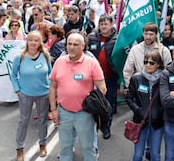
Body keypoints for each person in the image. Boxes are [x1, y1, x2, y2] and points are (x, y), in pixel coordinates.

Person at [49, 32, 106, 161]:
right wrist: (53, 110)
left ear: (83, 46)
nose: (72, 47)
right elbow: (52, 86)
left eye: (75, 44)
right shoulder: (59, 62)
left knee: (88, 147)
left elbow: (102, 88)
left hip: (84, 114)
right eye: (69, 44)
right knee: (65, 147)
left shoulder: (92, 63)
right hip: (63, 112)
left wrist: (92, 102)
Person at [10, 31, 52, 161]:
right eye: (31, 40)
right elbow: (13, 75)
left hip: (44, 94)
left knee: (42, 121)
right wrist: (18, 91)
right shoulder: (20, 57)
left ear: (40, 42)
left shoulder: (45, 56)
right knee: (23, 121)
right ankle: (20, 149)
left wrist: (51, 90)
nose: (33, 43)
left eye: (36, 40)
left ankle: (42, 144)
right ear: (27, 41)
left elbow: (51, 74)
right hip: (26, 95)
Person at [126, 49, 164, 161]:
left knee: (155, 154)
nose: (148, 65)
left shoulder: (163, 79)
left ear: (158, 64)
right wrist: (138, 110)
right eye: (145, 62)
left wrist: (160, 112)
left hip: (157, 123)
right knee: (138, 154)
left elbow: (167, 99)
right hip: (140, 122)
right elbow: (129, 98)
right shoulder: (136, 78)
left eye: (151, 63)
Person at [87, 14, 118, 139]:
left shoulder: (118, 39)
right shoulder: (91, 37)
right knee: (92, 103)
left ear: (111, 25)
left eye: (106, 24)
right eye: (101, 24)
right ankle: (93, 126)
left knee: (107, 104)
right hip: (92, 79)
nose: (104, 26)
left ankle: (106, 127)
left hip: (110, 78)